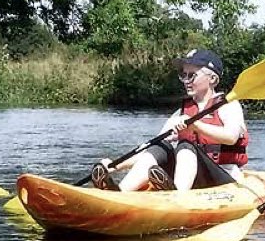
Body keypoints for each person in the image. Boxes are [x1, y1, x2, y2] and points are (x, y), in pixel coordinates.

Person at [91, 49, 248, 192]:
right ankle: (121, 192)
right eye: (183, 75)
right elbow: (153, 149)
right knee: (161, 147)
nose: (186, 80)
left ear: (212, 79)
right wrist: (115, 166)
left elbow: (231, 137)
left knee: (186, 145)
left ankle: (177, 195)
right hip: (193, 180)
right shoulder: (181, 113)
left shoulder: (228, 105)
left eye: (191, 75)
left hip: (224, 179)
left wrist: (196, 126)